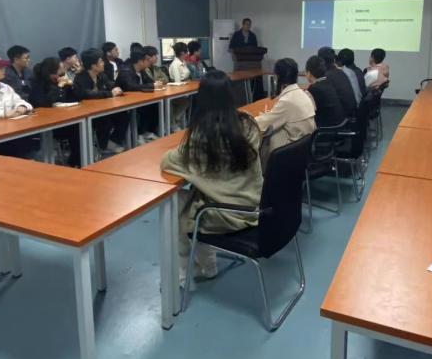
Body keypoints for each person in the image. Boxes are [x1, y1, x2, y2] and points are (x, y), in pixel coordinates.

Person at [161, 70, 263, 282]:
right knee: (197, 195)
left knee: (176, 203)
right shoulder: (249, 124)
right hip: (254, 206)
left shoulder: (203, 137)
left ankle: (186, 270)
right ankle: (207, 265)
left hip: (226, 215)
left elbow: (168, 161)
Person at [255, 58, 316, 165]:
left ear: (277, 77)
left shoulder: (287, 100)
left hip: (293, 151)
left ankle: (265, 171)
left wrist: (246, 119)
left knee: (264, 136)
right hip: (306, 147)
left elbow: (263, 124)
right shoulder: (304, 93)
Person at [73, 48, 127, 155]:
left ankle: (112, 141)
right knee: (105, 121)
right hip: (86, 112)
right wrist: (110, 93)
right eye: (101, 61)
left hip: (102, 108)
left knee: (124, 116)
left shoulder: (101, 75)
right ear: (93, 65)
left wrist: (116, 88)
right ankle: (103, 145)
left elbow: (110, 84)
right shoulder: (80, 78)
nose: (103, 63)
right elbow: (87, 94)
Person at [30, 57, 80, 166]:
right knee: (76, 129)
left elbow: (76, 98)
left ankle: (77, 161)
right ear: (53, 70)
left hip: (65, 119)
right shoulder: (40, 84)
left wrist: (71, 85)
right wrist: (59, 87)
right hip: (47, 124)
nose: (63, 69)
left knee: (79, 127)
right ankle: (75, 161)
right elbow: (46, 102)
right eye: (60, 67)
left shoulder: (60, 79)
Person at [117, 46, 161, 142]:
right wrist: (152, 86)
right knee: (145, 109)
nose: (149, 62)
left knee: (155, 105)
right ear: (140, 61)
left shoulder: (142, 71)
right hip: (125, 103)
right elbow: (131, 87)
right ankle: (138, 135)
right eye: (147, 60)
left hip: (139, 100)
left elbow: (150, 82)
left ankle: (146, 132)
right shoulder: (126, 71)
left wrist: (154, 84)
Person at [305, 54, 345, 127]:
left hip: (325, 130)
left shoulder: (314, 89)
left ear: (309, 73)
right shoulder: (328, 83)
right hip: (338, 126)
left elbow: (306, 112)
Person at [318, 46, 357, 114]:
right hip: (351, 112)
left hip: (342, 115)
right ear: (334, 59)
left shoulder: (326, 76)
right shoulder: (341, 72)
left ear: (321, 61)